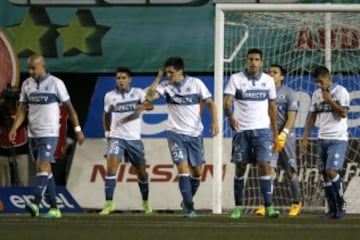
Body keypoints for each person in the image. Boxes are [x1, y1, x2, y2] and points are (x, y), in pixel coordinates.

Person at [8, 54, 85, 218]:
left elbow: (70, 109)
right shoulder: (27, 84)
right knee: (45, 170)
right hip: (33, 133)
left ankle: (35, 203)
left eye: (33, 68)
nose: (30, 72)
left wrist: (77, 130)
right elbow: (22, 108)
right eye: (28, 68)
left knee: (43, 166)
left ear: (42, 65)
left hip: (49, 132)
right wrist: (15, 127)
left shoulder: (56, 83)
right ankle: (55, 208)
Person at [146, 57, 219, 218]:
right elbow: (149, 97)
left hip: (195, 134)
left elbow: (210, 103)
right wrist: (158, 78)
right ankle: (190, 208)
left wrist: (215, 122)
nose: (168, 76)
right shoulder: (165, 86)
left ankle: (186, 200)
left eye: (171, 72)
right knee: (182, 169)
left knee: (198, 172)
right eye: (166, 73)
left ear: (180, 71)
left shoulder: (196, 83)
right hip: (175, 134)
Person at [224, 48, 280, 219]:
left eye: (256, 59)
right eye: (250, 59)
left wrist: (275, 133)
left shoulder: (268, 80)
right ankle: (238, 207)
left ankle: (269, 207)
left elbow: (272, 108)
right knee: (241, 167)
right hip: (242, 131)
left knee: (264, 165)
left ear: (261, 62)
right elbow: (227, 102)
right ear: (246, 61)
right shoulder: (236, 79)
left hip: (262, 130)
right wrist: (230, 117)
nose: (253, 62)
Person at [99, 67, 154, 215]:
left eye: (124, 78)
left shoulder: (138, 93)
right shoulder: (109, 96)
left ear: (129, 79)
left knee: (142, 173)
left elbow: (150, 105)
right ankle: (109, 204)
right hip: (117, 138)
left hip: (134, 139)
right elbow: (105, 115)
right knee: (110, 169)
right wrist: (107, 133)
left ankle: (146, 202)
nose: (121, 81)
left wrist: (144, 105)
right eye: (118, 78)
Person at [301, 66, 349, 219]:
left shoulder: (341, 91)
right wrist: (305, 138)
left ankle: (342, 202)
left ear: (328, 78)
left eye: (321, 82)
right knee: (324, 175)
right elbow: (312, 117)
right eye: (317, 82)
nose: (319, 85)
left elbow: (343, 113)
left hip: (338, 138)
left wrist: (330, 101)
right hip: (321, 139)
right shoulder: (316, 94)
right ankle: (332, 209)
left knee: (331, 171)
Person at [255, 64, 302, 217]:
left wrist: (283, 134)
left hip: (285, 137)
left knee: (290, 172)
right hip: (268, 136)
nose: (271, 74)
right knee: (269, 169)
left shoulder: (290, 93)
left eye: (275, 72)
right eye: (269, 72)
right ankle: (265, 204)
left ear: (282, 76)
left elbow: (292, 117)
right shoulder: (263, 93)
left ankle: (296, 202)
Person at [0, 86, 29, 186]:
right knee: (3, 183)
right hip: (2, 149)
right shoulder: (1, 108)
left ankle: (22, 200)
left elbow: (27, 121)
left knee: (22, 181)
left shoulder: (23, 106)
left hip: (21, 147)